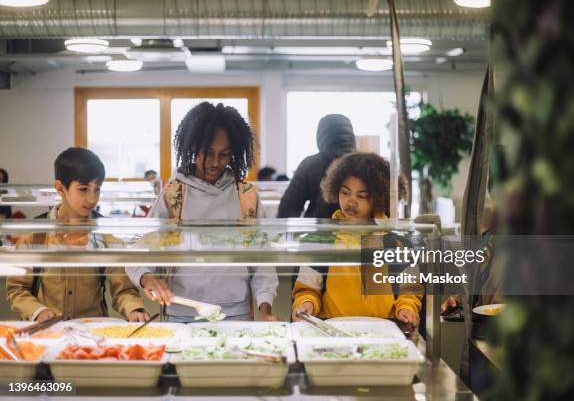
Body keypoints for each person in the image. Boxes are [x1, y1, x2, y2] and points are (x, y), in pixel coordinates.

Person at [127, 102, 279, 322]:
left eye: (225, 155)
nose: (215, 163)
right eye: (207, 153)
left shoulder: (246, 196)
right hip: (181, 313)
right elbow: (139, 252)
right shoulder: (173, 196)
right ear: (192, 148)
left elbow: (263, 260)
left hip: (237, 314)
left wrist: (265, 309)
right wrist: (147, 278)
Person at [6, 147, 149, 322]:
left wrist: (134, 309)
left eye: (97, 189)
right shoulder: (35, 235)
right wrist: (38, 311)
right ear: (60, 188)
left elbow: (124, 290)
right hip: (49, 333)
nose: (92, 199)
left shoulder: (105, 236)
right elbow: (17, 289)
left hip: (93, 333)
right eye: (83, 189)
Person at [291, 153, 422, 328]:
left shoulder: (395, 241)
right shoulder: (324, 239)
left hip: (384, 329)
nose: (351, 201)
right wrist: (306, 303)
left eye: (361, 195)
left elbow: (409, 289)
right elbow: (308, 289)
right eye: (345, 192)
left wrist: (406, 307)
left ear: (379, 198)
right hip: (333, 329)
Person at [277, 114, 355, 218]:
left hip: (316, 230)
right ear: (351, 136)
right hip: (358, 231)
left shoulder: (310, 164)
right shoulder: (363, 164)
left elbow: (288, 209)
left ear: (321, 137)